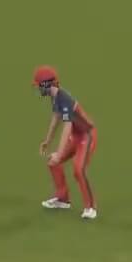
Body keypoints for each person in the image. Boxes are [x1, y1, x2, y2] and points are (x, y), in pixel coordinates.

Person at [33, 66, 97, 220]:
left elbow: (67, 127)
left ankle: (90, 207)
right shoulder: (55, 97)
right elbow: (56, 118)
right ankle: (63, 199)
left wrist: (60, 153)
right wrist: (48, 140)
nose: (38, 88)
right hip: (76, 136)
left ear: (46, 84)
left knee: (78, 170)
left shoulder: (65, 99)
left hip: (87, 136)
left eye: (39, 85)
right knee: (53, 162)